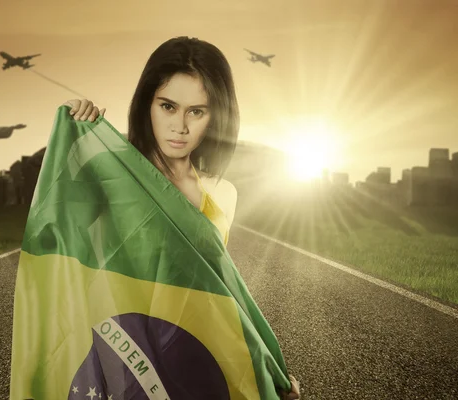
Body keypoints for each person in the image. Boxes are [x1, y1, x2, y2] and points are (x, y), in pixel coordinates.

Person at [62, 36, 300, 400]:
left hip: (195, 359)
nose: (180, 127)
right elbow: (62, 244)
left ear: (216, 116)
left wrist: (269, 368)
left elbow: (223, 295)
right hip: (128, 360)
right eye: (168, 106)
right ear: (147, 105)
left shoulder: (223, 194)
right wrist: (72, 131)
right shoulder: (111, 181)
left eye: (196, 111)